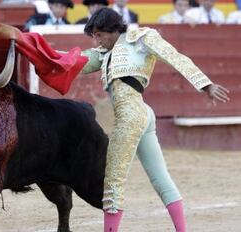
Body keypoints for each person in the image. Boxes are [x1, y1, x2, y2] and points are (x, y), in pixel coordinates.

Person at [80, 8, 229, 232]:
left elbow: (174, 56)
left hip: (131, 116)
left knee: (113, 182)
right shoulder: (103, 53)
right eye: (94, 35)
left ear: (112, 30)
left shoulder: (141, 38)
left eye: (99, 34)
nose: (96, 40)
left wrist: (205, 84)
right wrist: (34, 50)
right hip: (142, 113)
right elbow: (71, 62)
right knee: (160, 177)